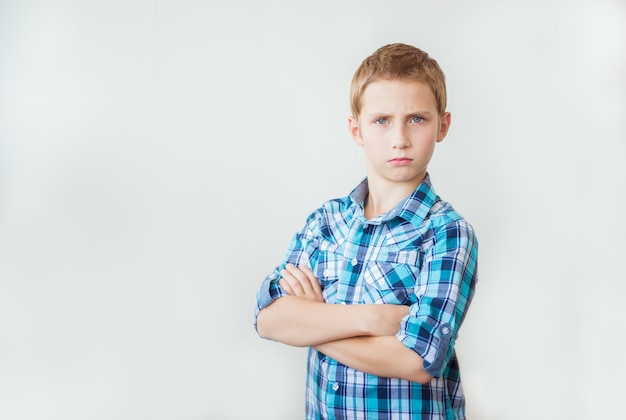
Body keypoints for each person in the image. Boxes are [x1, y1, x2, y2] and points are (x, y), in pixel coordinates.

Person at [253, 43, 478, 419]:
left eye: (417, 119)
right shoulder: (326, 222)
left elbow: (418, 360)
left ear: (444, 125)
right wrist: (370, 319)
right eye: (382, 120)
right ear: (356, 129)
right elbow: (269, 317)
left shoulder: (447, 234)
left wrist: (314, 322)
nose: (400, 138)